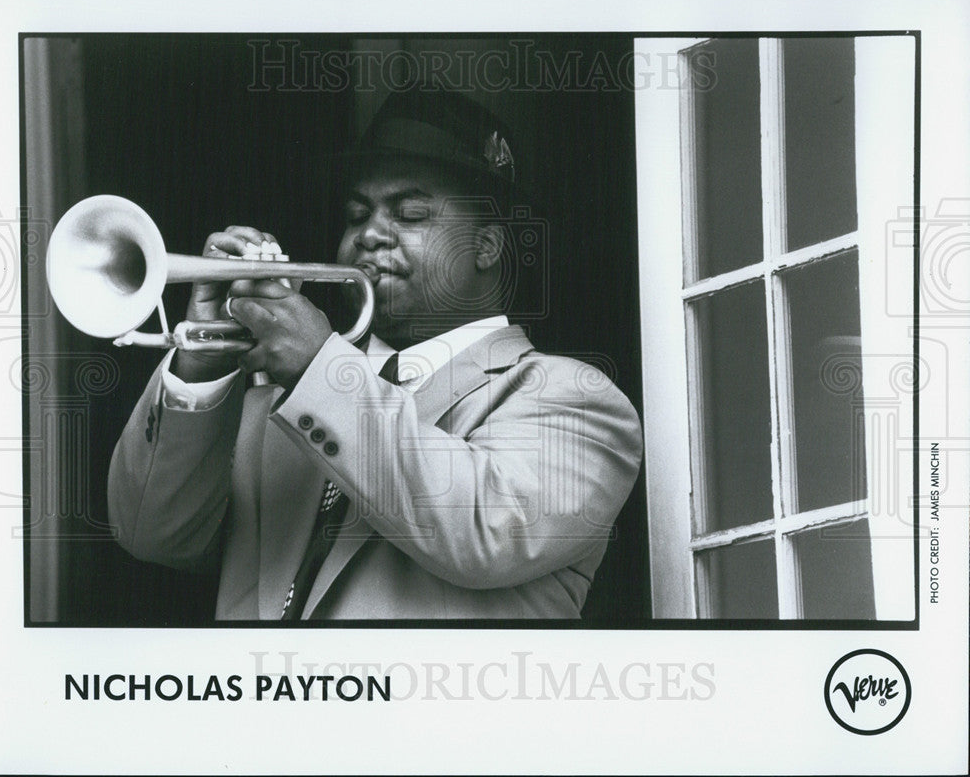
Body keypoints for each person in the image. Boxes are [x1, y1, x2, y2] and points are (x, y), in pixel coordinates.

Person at [107, 89, 643, 620]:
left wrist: (323, 367)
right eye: (356, 214)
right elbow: (151, 535)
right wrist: (200, 368)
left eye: (410, 214)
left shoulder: (574, 399)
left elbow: (485, 533)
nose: (370, 234)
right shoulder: (275, 405)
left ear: (487, 246)